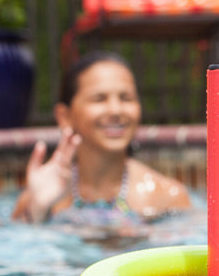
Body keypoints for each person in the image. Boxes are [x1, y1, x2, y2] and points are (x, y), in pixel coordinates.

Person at [13, 51, 191, 224]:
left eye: (126, 98)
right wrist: (38, 211)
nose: (115, 110)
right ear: (64, 117)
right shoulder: (39, 196)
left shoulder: (168, 197)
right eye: (99, 99)